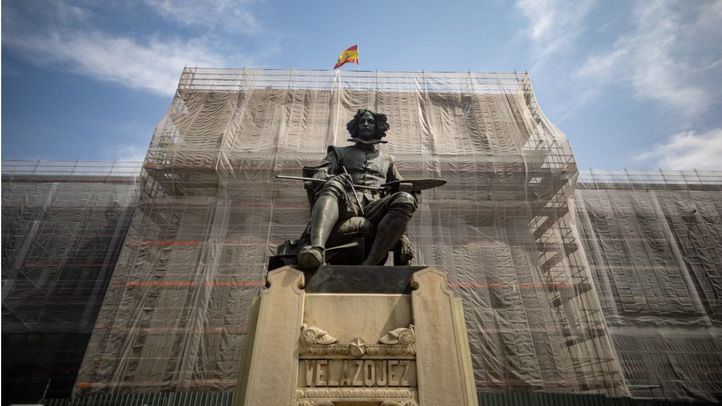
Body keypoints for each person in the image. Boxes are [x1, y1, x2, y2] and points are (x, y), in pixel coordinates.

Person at [298, 109, 417, 269]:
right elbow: (318, 174)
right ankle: (317, 250)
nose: (365, 124)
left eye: (370, 121)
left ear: (378, 127)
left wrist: (408, 189)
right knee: (334, 184)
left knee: (405, 199)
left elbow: (399, 184)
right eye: (362, 122)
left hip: (375, 207)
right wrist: (332, 178)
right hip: (345, 204)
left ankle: (370, 264)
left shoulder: (388, 160)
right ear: (356, 127)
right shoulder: (339, 152)